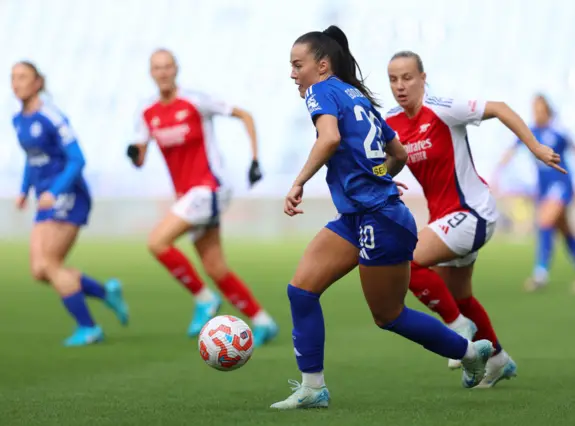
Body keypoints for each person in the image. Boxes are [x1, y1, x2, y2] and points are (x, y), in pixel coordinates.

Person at [270, 27, 495, 411]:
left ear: (321, 66)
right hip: (360, 215)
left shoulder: (320, 91)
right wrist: (378, 178)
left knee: (389, 315)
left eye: (297, 65)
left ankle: (469, 352)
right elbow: (399, 153)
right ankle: (312, 388)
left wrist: (298, 183)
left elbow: (329, 140)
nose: (293, 74)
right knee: (301, 291)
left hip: (380, 219)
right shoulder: (355, 95)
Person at [385, 51, 565, 387]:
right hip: (446, 219)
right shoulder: (391, 122)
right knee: (461, 295)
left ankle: (457, 328)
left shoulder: (443, 108)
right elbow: (391, 161)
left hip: (472, 213)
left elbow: (499, 108)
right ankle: (497, 358)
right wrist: (380, 175)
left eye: (407, 77)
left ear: (423, 78)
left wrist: (535, 147)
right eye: (393, 79)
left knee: (404, 261)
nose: (400, 85)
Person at [126, 49, 278, 345]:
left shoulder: (195, 101)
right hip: (188, 195)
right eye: (157, 68)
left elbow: (244, 114)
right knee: (215, 267)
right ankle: (263, 321)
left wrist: (255, 159)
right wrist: (133, 153)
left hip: (209, 187)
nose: (163, 72)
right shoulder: (147, 112)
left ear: (176, 69)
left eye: (168, 66)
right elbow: (140, 156)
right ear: (151, 73)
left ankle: (204, 298)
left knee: (157, 241)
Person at [11, 61, 128, 347]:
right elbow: (32, 156)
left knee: (50, 264)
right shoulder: (19, 119)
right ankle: (104, 293)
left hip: (68, 195)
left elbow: (78, 159)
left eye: (23, 77)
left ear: (38, 82)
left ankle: (88, 328)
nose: (16, 83)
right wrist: (25, 189)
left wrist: (56, 189)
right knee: (40, 270)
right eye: (13, 77)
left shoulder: (52, 116)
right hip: (45, 197)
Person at [494, 94, 575, 293]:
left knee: (545, 221)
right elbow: (511, 151)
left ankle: (540, 273)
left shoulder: (558, 131)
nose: (536, 113)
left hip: (561, 184)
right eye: (534, 110)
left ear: (547, 110)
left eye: (539, 109)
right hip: (543, 187)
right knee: (565, 230)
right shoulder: (531, 132)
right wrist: (496, 174)